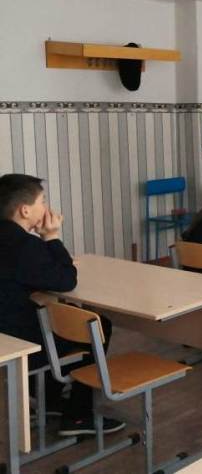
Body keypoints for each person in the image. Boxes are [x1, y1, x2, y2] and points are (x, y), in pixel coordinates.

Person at [0, 174, 124, 436]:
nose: (46, 208)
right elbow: (66, 280)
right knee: (95, 325)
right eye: (42, 201)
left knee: (59, 317)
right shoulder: (25, 245)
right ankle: (78, 416)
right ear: (25, 210)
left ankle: (50, 399)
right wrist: (52, 236)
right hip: (19, 342)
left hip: (5, 333)